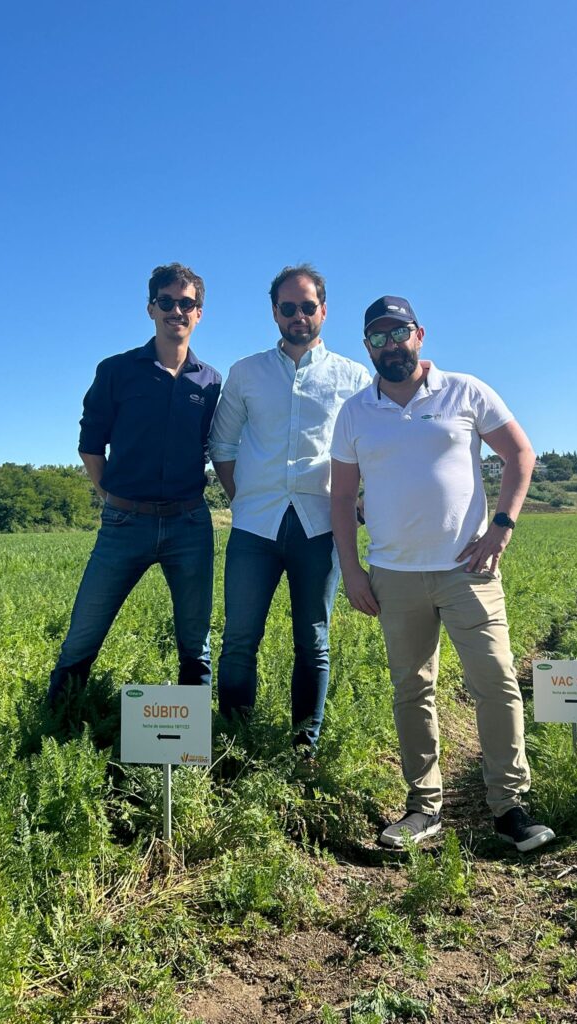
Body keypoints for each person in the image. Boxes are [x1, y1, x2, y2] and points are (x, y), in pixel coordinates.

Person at [330, 295, 555, 852]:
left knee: (497, 682)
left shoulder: (466, 391)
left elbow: (520, 454)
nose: (389, 346)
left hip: (467, 571)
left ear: (420, 334)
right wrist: (352, 570)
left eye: (398, 333)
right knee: (412, 690)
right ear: (367, 347)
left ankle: (510, 807)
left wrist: (501, 526)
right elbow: (340, 499)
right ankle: (422, 807)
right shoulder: (356, 411)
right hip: (393, 576)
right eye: (377, 338)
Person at [209, 264, 372, 750]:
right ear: (275, 313)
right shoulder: (246, 373)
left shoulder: (353, 377)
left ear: (323, 309)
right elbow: (222, 445)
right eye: (288, 308)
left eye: (307, 306)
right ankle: (235, 744)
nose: (298, 316)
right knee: (239, 640)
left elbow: (370, 446)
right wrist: (245, 497)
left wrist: (362, 500)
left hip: (320, 525)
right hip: (254, 527)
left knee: (314, 643)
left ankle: (305, 746)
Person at [47, 263, 221, 706]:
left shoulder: (212, 382)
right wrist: (110, 496)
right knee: (83, 634)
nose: (176, 311)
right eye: (167, 302)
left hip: (189, 525)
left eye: (186, 303)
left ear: (199, 313)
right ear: (151, 308)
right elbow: (90, 444)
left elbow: (216, 447)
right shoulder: (117, 371)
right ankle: (55, 726)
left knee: (195, 644)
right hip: (124, 523)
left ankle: (190, 749)